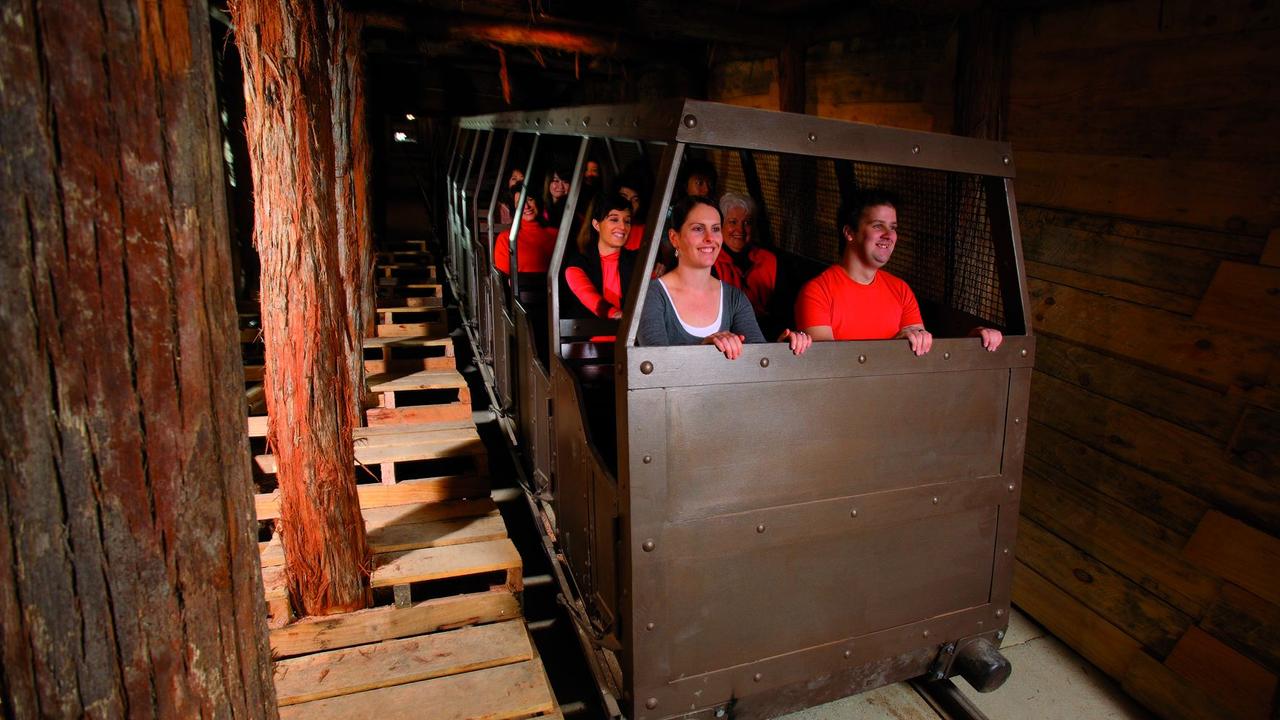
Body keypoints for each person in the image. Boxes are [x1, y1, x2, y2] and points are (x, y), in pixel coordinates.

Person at [795, 190, 1003, 355]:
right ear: (850, 233)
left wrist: (974, 342)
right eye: (878, 226)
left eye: (893, 227)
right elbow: (828, 366)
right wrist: (895, 347)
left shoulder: (900, 289)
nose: (889, 235)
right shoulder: (817, 291)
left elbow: (920, 353)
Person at [639, 196, 811, 360]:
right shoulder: (652, 296)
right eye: (698, 229)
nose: (709, 238)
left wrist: (784, 348)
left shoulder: (734, 298)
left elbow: (757, 361)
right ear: (674, 238)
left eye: (715, 229)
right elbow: (656, 367)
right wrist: (705, 350)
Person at [564, 194, 639, 319]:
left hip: (631, 337)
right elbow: (589, 297)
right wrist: (618, 316)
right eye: (614, 219)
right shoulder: (578, 263)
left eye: (627, 221)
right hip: (587, 337)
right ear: (596, 224)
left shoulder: (638, 261)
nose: (622, 227)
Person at [714, 192, 777, 316]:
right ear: (721, 225)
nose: (740, 230)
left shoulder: (768, 260)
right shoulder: (711, 260)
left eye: (747, 223)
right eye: (733, 222)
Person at [493, 186, 557, 276]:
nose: (526, 206)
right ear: (514, 209)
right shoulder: (506, 238)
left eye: (530, 199)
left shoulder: (555, 234)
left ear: (537, 202)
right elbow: (504, 281)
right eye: (520, 203)